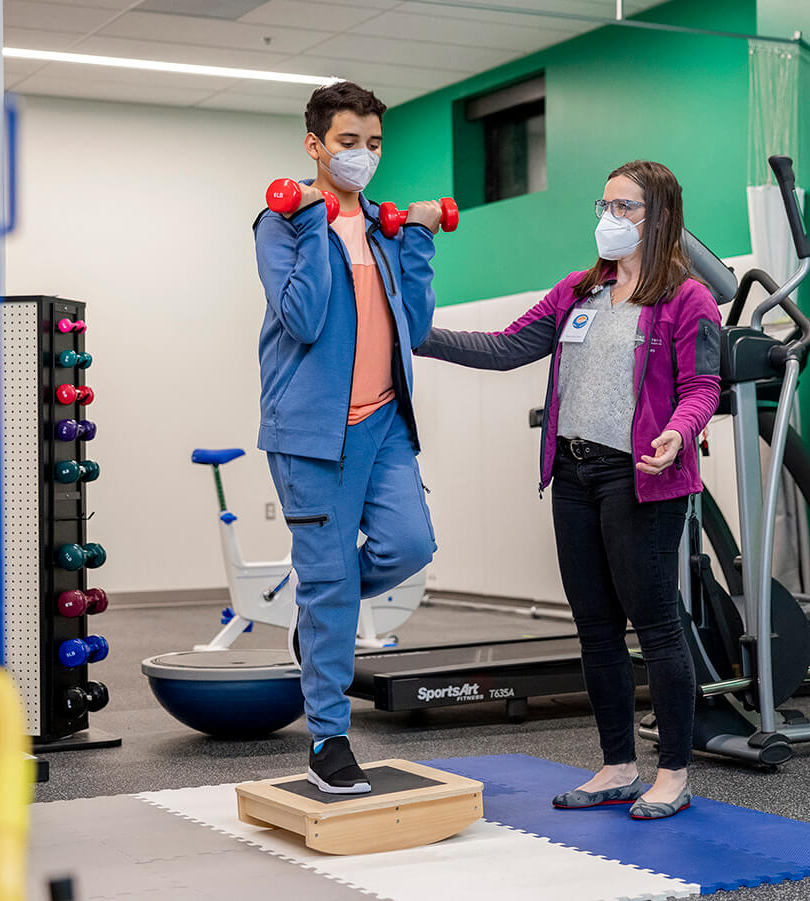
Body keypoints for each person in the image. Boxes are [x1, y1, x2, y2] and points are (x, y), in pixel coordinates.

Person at [416, 160, 721, 819]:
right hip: (575, 473)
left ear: (660, 215)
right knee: (594, 628)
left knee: (658, 626)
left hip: (642, 477)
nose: (608, 218)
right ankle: (616, 764)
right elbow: (501, 347)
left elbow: (702, 386)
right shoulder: (576, 293)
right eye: (604, 204)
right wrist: (416, 335)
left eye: (626, 207)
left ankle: (673, 773)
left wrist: (677, 430)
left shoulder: (686, 299)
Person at [253, 81, 442, 794]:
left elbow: (415, 328)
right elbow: (302, 317)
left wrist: (418, 236)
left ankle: (318, 618)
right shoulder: (279, 223)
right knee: (330, 581)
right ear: (314, 146)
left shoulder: (389, 231)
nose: (362, 156)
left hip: (385, 421)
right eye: (347, 142)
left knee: (411, 545)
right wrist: (314, 225)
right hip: (310, 435)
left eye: (373, 144)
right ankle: (329, 740)